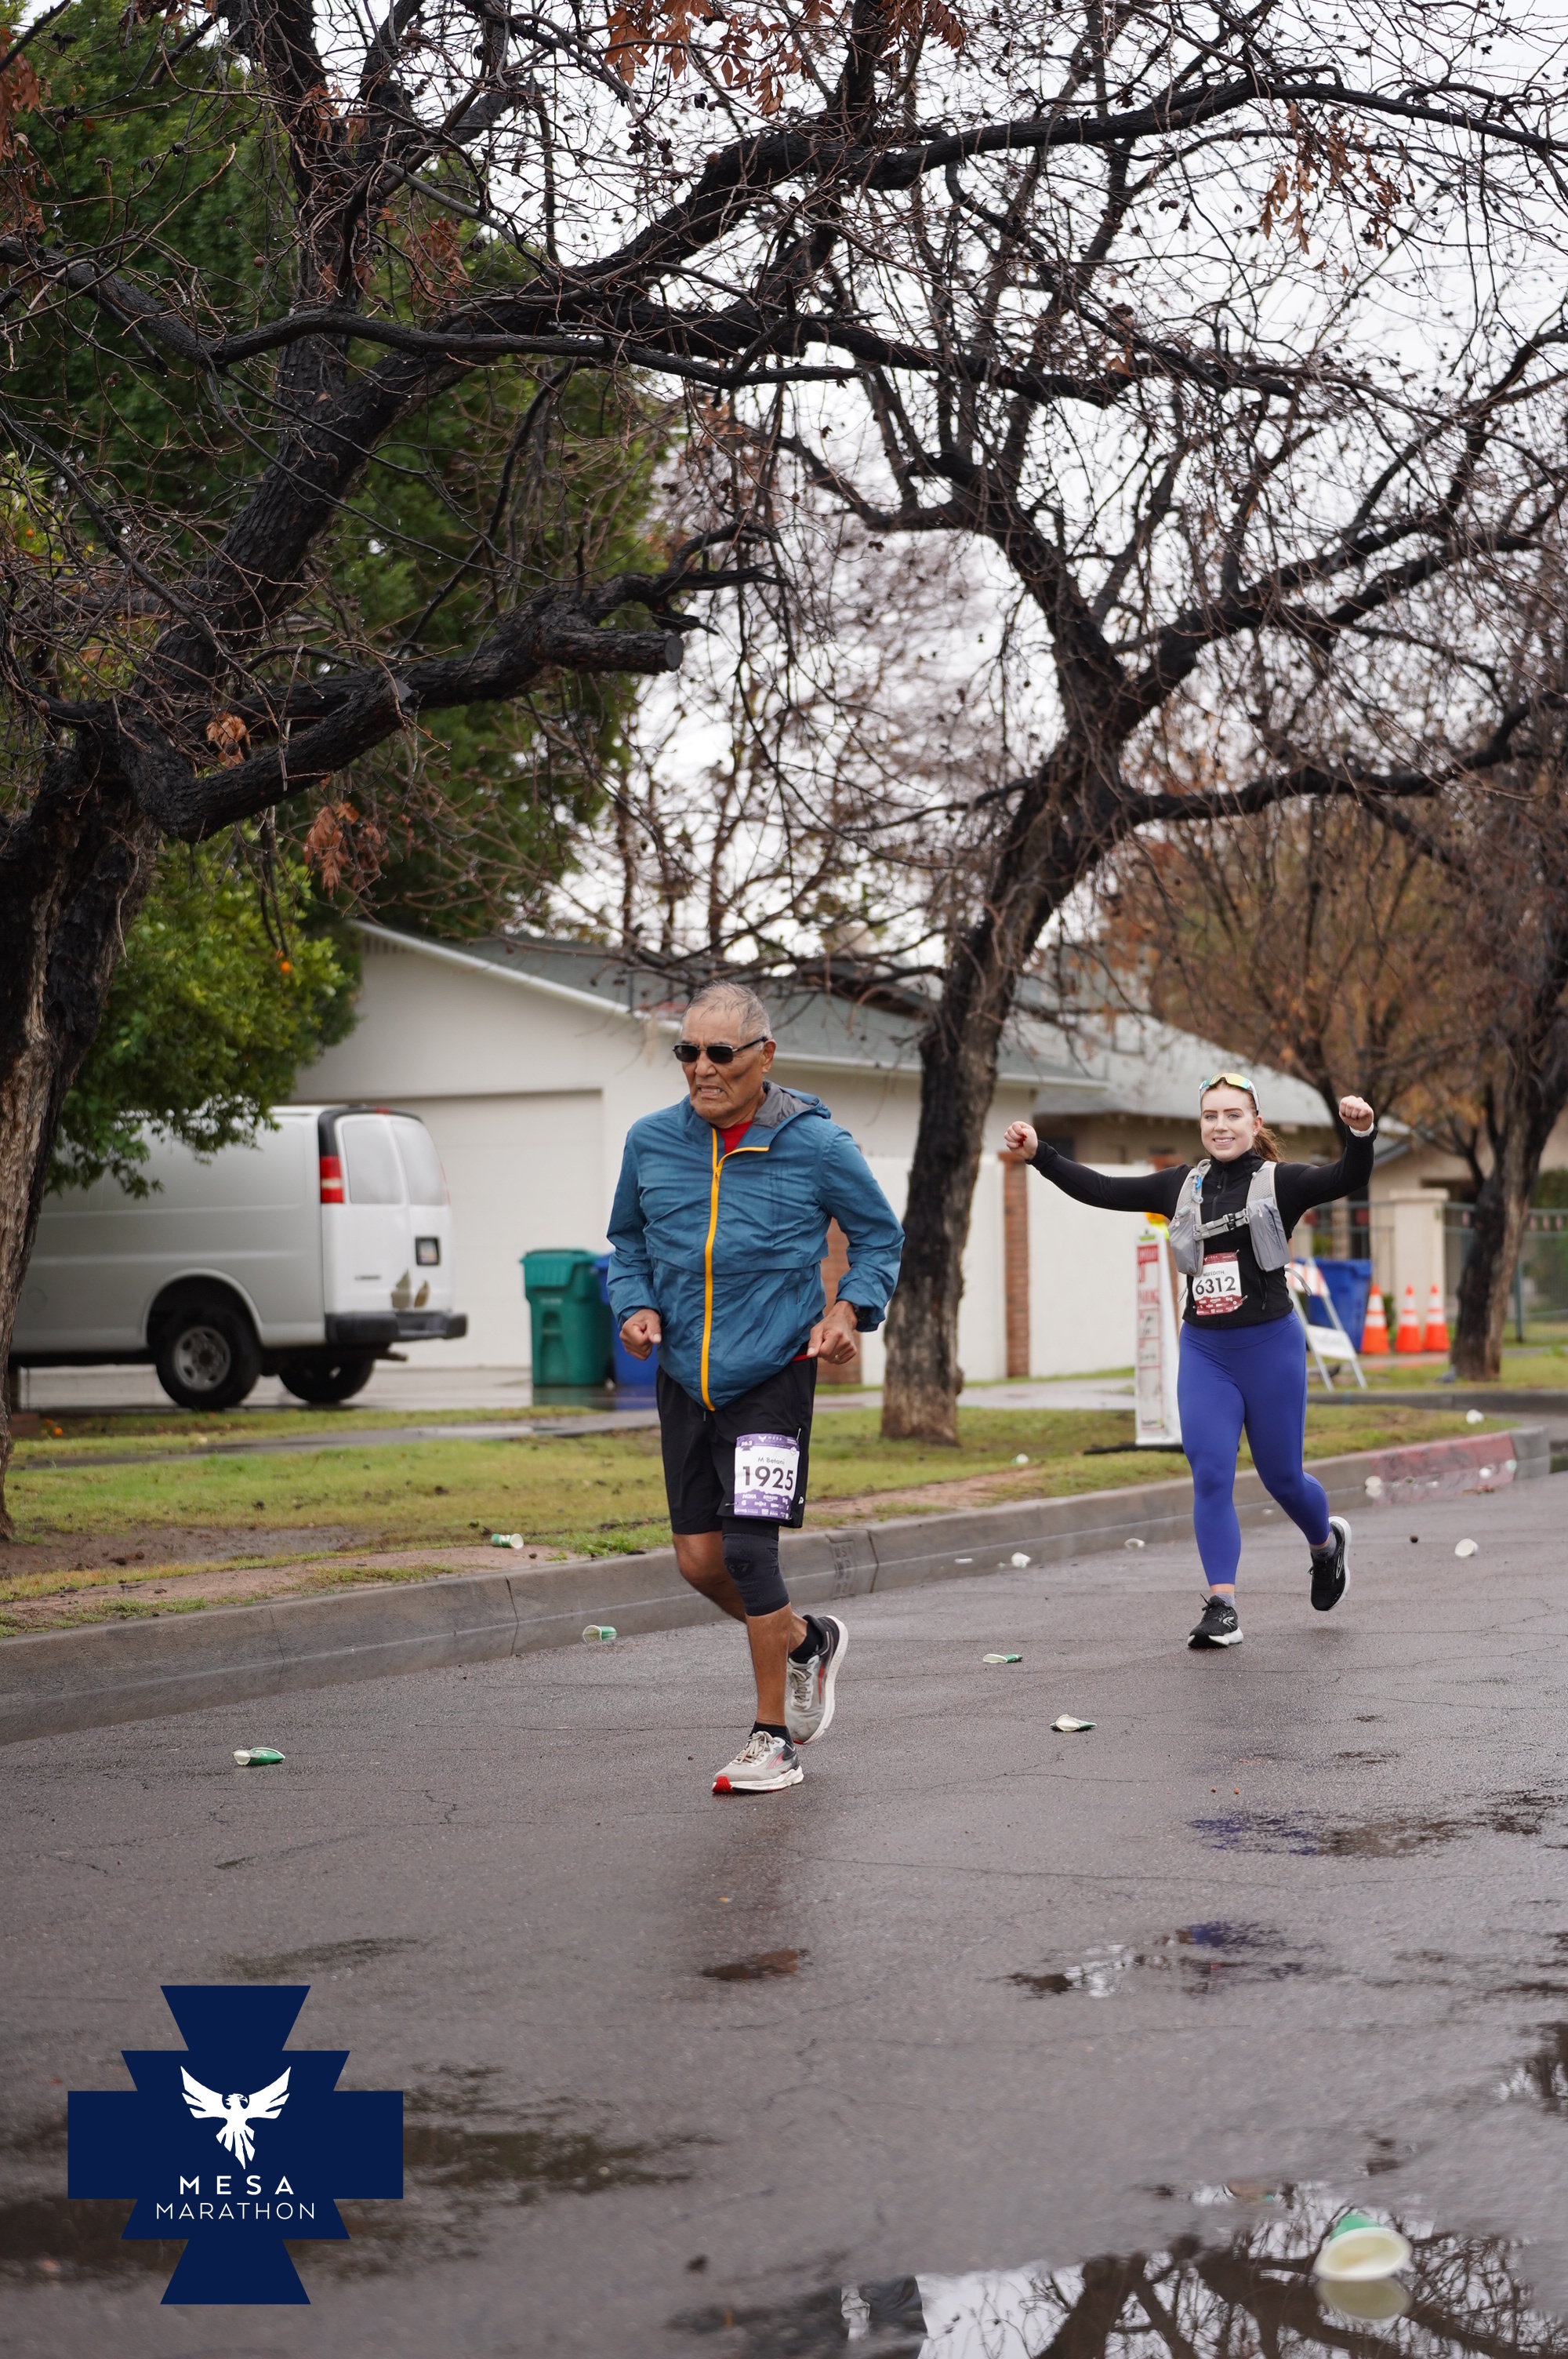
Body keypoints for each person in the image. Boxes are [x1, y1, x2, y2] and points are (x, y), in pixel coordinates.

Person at [608, 982, 905, 1791]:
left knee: (746, 1553)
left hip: (774, 1368)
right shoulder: (650, 1141)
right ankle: (806, 1641)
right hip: (684, 1375)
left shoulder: (816, 1144)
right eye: (688, 1052)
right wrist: (634, 1304)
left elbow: (879, 1239)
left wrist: (846, 1308)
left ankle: (773, 1738)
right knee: (699, 1561)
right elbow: (627, 1243)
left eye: (719, 1053)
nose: (701, 1068)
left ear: (763, 1055)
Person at [1004, 1074, 1377, 1651]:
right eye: (1210, 1116)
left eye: (1233, 1115)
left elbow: (1347, 1177)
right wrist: (1040, 1155)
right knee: (1210, 1472)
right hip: (1206, 1351)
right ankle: (1222, 1606)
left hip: (1270, 1348)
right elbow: (1102, 1188)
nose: (1220, 1126)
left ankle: (1326, 1546)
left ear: (1255, 1123)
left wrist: (1361, 1134)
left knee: (1282, 1477)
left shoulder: (1280, 1182)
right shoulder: (1181, 1185)